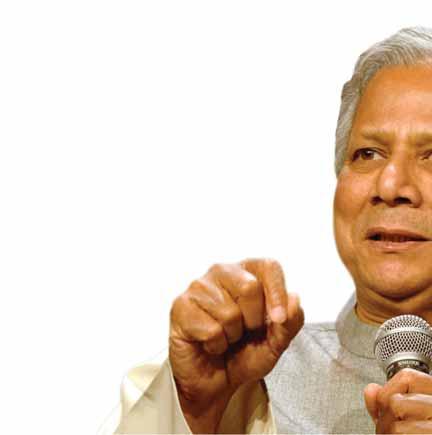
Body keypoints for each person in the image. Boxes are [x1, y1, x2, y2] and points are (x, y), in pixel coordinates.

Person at [99, 26, 432, 434]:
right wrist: (196, 409)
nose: (391, 185)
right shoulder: (247, 380)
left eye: (431, 156)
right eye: (367, 153)